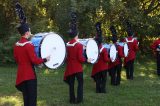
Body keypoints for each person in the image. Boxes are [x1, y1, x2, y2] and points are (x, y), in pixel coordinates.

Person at [13, 23, 50, 106]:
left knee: (26, 98)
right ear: (26, 33)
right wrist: (45, 59)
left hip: (21, 74)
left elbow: (17, 59)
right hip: (30, 75)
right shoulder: (29, 45)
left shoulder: (16, 45)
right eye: (29, 30)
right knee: (32, 98)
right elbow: (34, 60)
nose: (30, 32)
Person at [91, 22, 110, 93]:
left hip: (96, 67)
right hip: (104, 67)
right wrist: (109, 59)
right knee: (104, 79)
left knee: (98, 79)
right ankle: (103, 90)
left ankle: (97, 90)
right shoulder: (104, 49)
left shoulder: (93, 49)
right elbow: (105, 59)